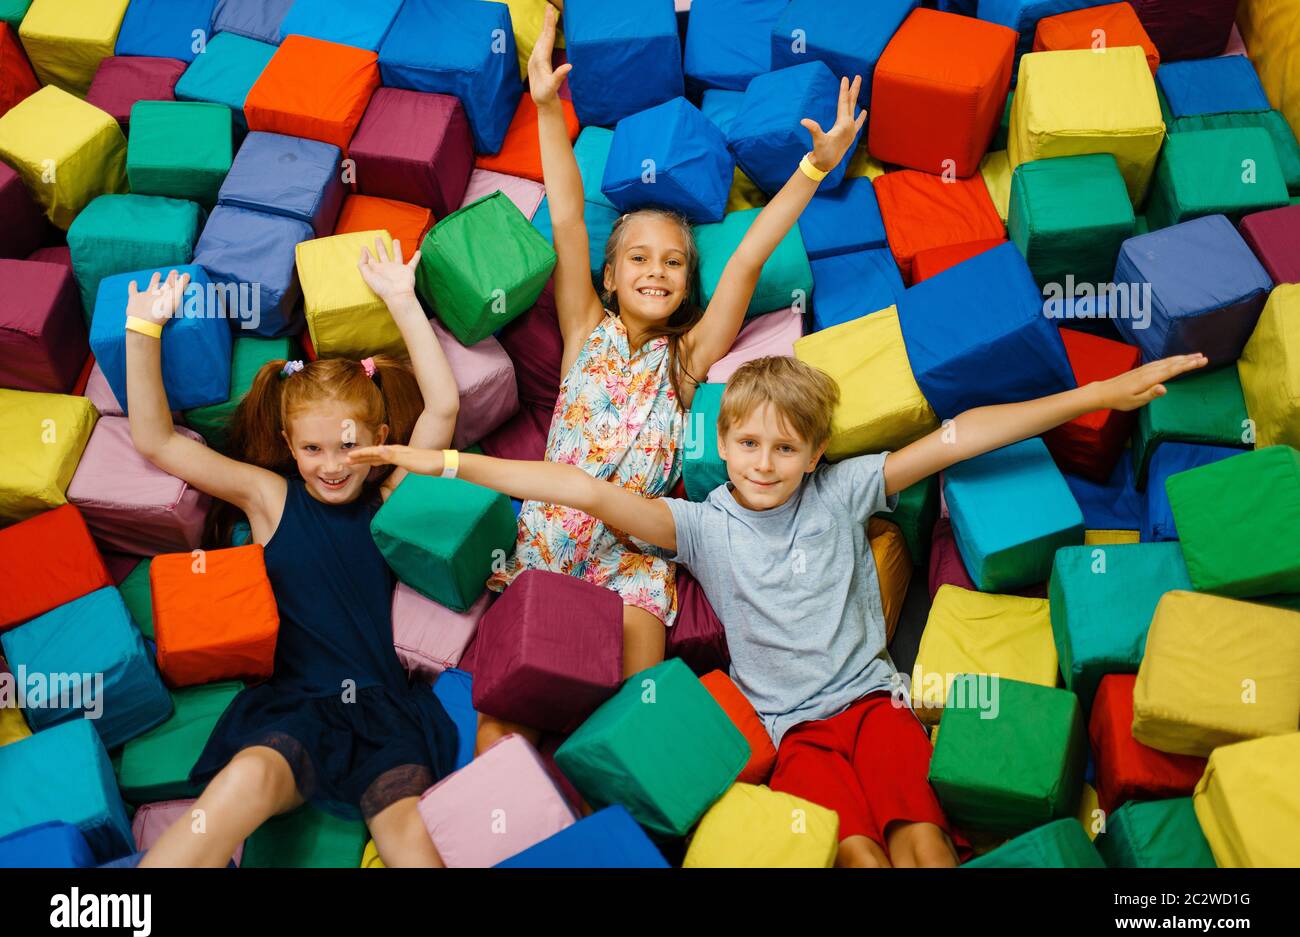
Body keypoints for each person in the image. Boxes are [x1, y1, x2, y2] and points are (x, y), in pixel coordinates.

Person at [348, 349, 1209, 867]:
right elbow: (577, 487)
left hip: (877, 705)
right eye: (749, 443)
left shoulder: (846, 489)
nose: (764, 462)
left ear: (815, 451)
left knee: (921, 845)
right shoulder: (700, 523)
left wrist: (1100, 394)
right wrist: (447, 462)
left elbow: (962, 434)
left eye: (785, 447)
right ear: (722, 444)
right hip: (792, 733)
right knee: (853, 853)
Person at [481, 5, 869, 753]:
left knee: (637, 726)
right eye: (638, 258)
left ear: (687, 283)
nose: (655, 271)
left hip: (632, 559)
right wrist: (547, 108)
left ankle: (622, 798)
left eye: (673, 262)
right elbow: (568, 216)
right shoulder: (583, 329)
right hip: (551, 542)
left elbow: (749, 258)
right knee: (505, 719)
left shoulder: (685, 360)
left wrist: (814, 168)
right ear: (610, 276)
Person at [127, 239, 461, 867]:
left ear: (382, 438)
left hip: (386, 711)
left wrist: (402, 300)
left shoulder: (393, 496)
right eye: (312, 450)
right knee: (241, 784)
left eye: (349, 446)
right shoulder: (268, 498)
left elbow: (443, 405)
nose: (332, 466)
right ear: (288, 443)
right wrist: (143, 330)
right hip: (297, 705)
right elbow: (156, 440)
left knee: (408, 835)